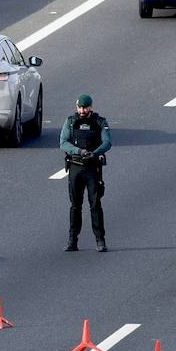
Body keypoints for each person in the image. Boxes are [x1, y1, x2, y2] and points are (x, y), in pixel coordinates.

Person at [60, 94, 111, 252]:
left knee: (95, 204)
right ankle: (72, 241)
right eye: (80, 108)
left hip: (92, 168)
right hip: (76, 166)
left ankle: (100, 240)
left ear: (91, 107)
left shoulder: (100, 122)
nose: (82, 110)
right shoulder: (70, 122)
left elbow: (107, 142)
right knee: (75, 206)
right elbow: (63, 142)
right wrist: (79, 151)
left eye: (85, 107)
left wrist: (94, 153)